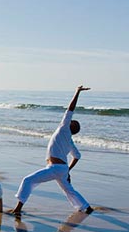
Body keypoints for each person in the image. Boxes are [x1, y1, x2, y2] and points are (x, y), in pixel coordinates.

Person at [10, 86, 93, 218]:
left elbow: (70, 109)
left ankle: (17, 209)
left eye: (71, 122)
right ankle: (87, 208)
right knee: (69, 191)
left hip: (55, 168)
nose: (68, 120)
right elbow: (77, 156)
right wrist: (68, 170)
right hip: (61, 169)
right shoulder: (69, 141)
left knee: (28, 180)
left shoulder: (64, 129)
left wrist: (77, 92)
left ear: (70, 126)